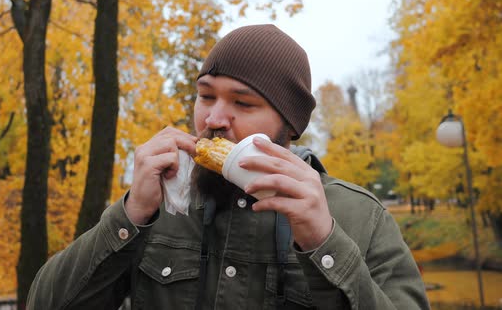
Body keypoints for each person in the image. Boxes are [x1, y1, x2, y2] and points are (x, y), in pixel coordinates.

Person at [26, 24, 429, 310]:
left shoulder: (360, 216)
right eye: (205, 96)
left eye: (243, 103)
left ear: (288, 124)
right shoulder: (157, 206)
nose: (214, 119)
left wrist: (325, 244)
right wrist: (129, 214)